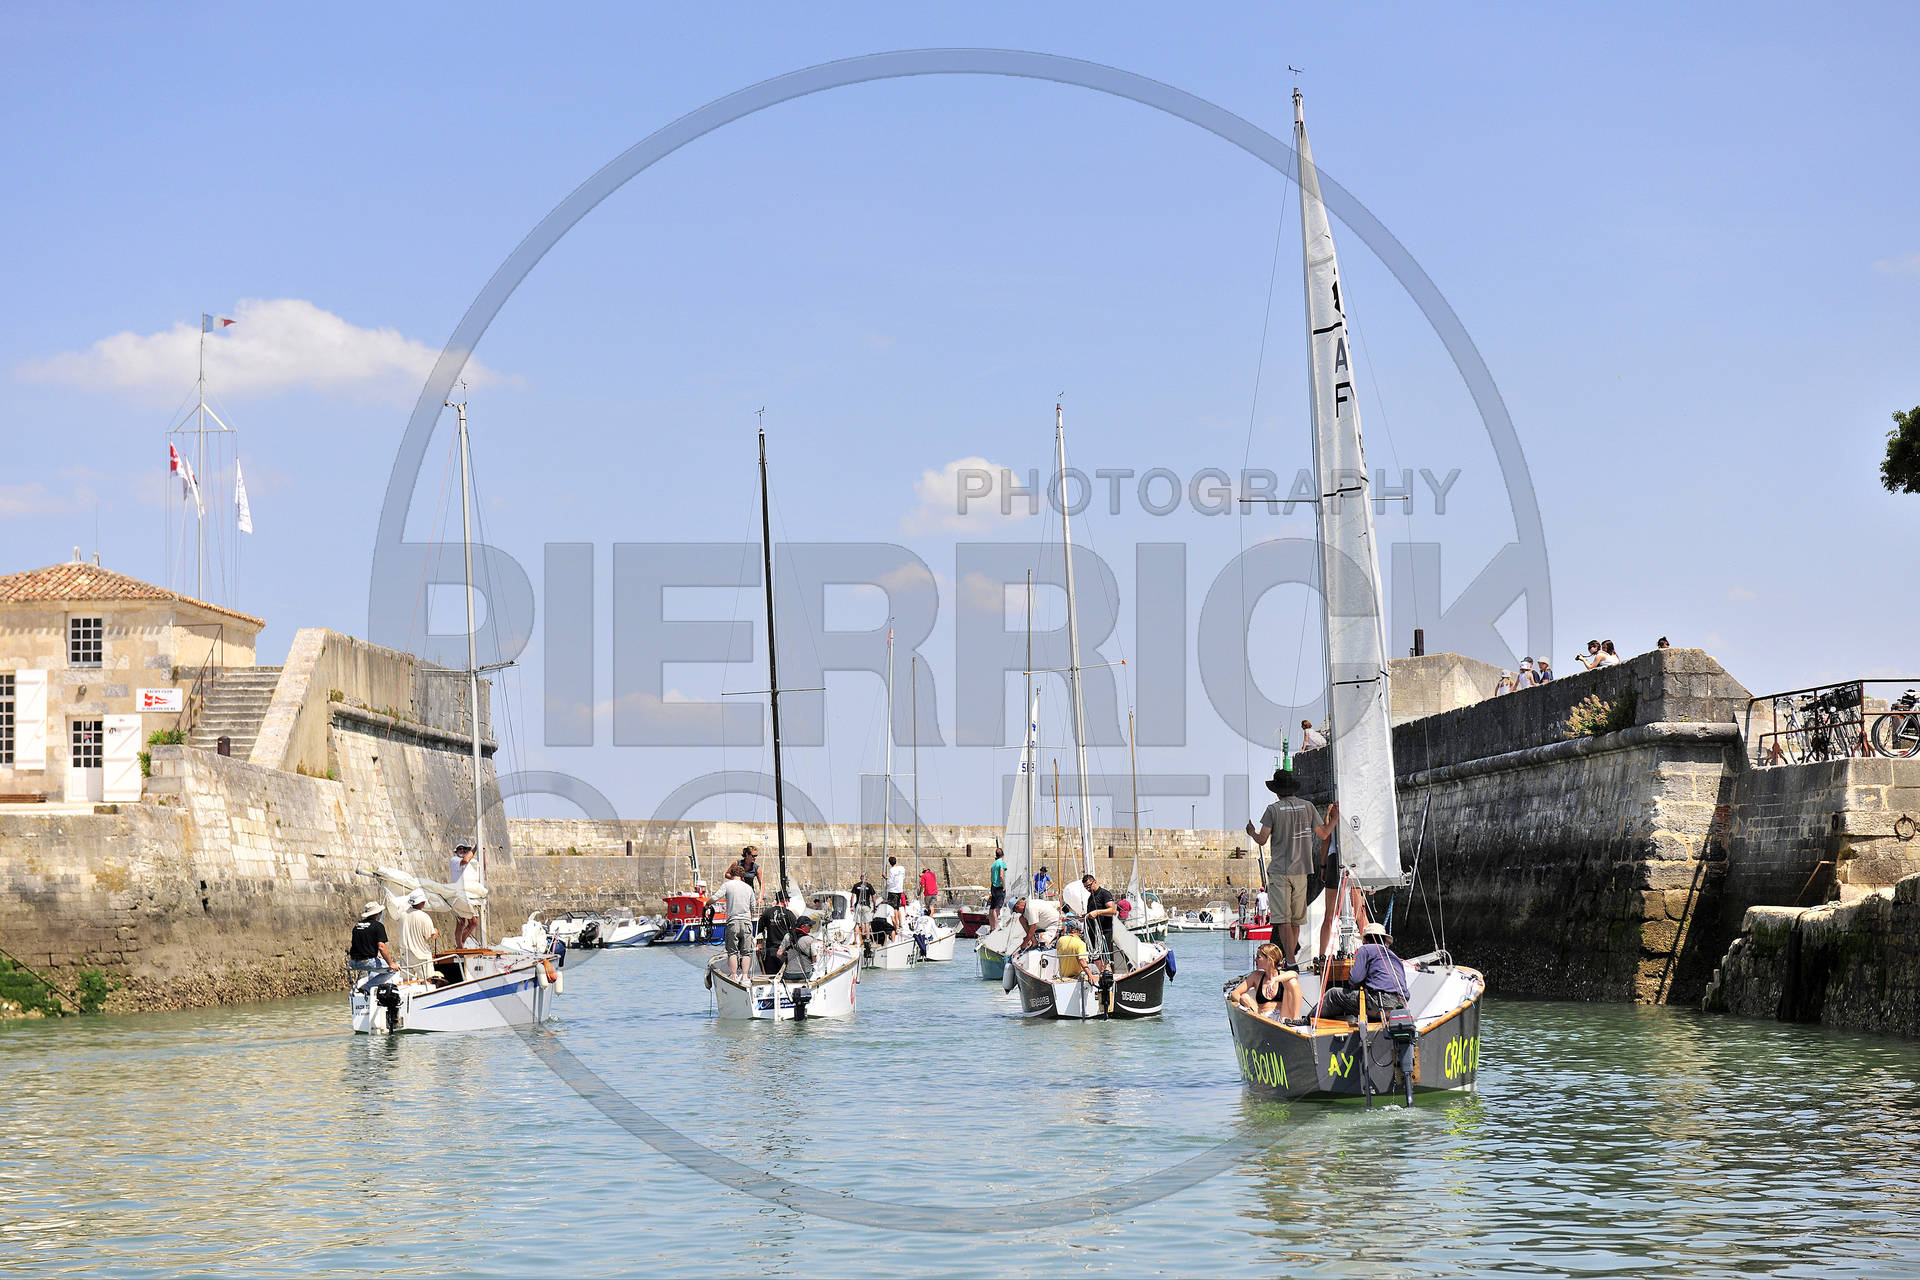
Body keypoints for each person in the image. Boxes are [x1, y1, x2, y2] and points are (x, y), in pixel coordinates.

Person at [1244, 769, 1335, 965]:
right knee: (1296, 919)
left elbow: (1262, 839)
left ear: (1277, 791)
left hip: (1280, 871)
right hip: (1302, 871)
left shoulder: (1273, 809)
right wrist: (1334, 818)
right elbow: (1324, 834)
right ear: (1293, 788)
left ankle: (1291, 960)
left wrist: (1251, 832)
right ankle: (1291, 959)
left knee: (1283, 919)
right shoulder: (1308, 807)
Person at [1321, 922, 1409, 1020]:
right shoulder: (1395, 956)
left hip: (1380, 1003)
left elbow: (1355, 979)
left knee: (1333, 994)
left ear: (1365, 940)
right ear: (1384, 941)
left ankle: (1309, 1020)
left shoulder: (1365, 949)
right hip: (1400, 1006)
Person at [1315, 817, 1372, 965]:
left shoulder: (1333, 808)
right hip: (1355, 857)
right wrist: (1370, 874)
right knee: (1360, 913)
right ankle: (1373, 953)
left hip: (1335, 859)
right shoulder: (1358, 807)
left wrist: (1323, 866)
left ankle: (1322, 957)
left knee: (1329, 915)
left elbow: (1326, 839)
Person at [1229, 942, 1303, 1021]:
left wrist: (1274, 980)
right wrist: (1243, 1002)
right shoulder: (1256, 976)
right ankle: (1259, 1018)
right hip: (1263, 1018)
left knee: (1292, 982)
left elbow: (1294, 974)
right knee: (1244, 997)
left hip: (1283, 1017)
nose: (1255, 960)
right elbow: (1234, 993)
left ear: (1269, 960)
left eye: (1258, 957)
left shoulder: (1282, 976)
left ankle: (1295, 1020)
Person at [712, 866, 757, 980]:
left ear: (732, 875)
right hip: (746, 923)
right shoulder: (748, 888)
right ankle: (745, 976)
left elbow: (715, 897)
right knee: (746, 952)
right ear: (742, 876)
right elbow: (753, 906)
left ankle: (734, 975)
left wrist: (707, 904)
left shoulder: (727, 885)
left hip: (733, 922)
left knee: (732, 952)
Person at [397, 889, 438, 980]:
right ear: (422, 902)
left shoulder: (402, 915)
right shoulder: (423, 916)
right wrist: (436, 931)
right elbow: (431, 936)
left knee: (406, 981)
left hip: (405, 954)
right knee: (426, 980)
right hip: (421, 955)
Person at [756, 890, 799, 978]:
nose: (788, 902)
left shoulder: (767, 913)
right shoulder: (789, 914)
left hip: (770, 950)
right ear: (784, 900)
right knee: (784, 977)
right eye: (788, 900)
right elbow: (795, 932)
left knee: (770, 977)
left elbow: (758, 929)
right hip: (784, 951)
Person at [347, 901, 395, 974]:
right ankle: (371, 982)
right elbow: (381, 946)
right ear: (378, 914)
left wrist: (376, 954)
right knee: (393, 970)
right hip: (367, 962)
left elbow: (361, 944)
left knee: (376, 967)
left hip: (353, 962)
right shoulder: (378, 926)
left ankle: (370, 980)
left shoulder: (357, 925)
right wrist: (391, 964)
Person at [448, 843, 480, 949]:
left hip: (470, 895)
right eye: (460, 849)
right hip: (459, 895)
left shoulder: (472, 862)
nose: (463, 850)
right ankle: (460, 946)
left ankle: (461, 942)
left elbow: (482, 868)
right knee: (461, 922)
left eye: (465, 849)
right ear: (456, 851)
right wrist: (475, 849)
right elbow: (465, 861)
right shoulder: (454, 860)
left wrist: (482, 852)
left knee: (473, 922)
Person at [1081, 874, 1117, 956]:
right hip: (1093, 932)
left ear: (1095, 882)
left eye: (1089, 886)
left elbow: (1113, 910)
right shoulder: (1091, 897)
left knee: (1105, 956)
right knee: (1095, 956)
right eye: (1085, 887)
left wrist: (1097, 912)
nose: (1088, 889)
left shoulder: (1104, 894)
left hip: (1104, 931)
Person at [849, 871, 878, 941]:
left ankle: (855, 940)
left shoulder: (856, 885)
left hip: (858, 906)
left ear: (860, 878)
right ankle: (867, 939)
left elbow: (852, 897)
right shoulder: (869, 886)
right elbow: (874, 896)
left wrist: (851, 906)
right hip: (866, 906)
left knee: (857, 923)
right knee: (867, 923)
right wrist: (875, 906)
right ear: (866, 878)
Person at [987, 848, 1009, 928]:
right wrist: (1004, 886)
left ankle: (992, 927)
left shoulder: (994, 864)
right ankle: (995, 928)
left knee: (992, 908)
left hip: (993, 887)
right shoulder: (1002, 863)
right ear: (1003, 855)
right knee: (997, 909)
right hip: (999, 887)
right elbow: (1001, 875)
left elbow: (991, 876)